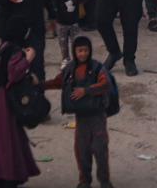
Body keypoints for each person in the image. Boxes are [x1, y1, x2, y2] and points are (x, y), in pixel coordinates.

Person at [41, 35, 114, 188]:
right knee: (82, 149)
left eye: (86, 50)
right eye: (80, 50)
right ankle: (85, 181)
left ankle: (105, 180)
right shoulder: (70, 68)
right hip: (81, 117)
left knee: (100, 147)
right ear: (74, 51)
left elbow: (106, 84)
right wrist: (40, 85)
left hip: (98, 115)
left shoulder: (97, 67)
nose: (83, 54)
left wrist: (86, 91)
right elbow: (58, 82)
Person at [0, 16, 42, 188]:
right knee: (7, 141)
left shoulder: (4, 46)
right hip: (4, 101)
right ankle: (6, 180)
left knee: (9, 139)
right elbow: (13, 74)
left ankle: (13, 176)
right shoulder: (15, 49)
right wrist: (28, 59)